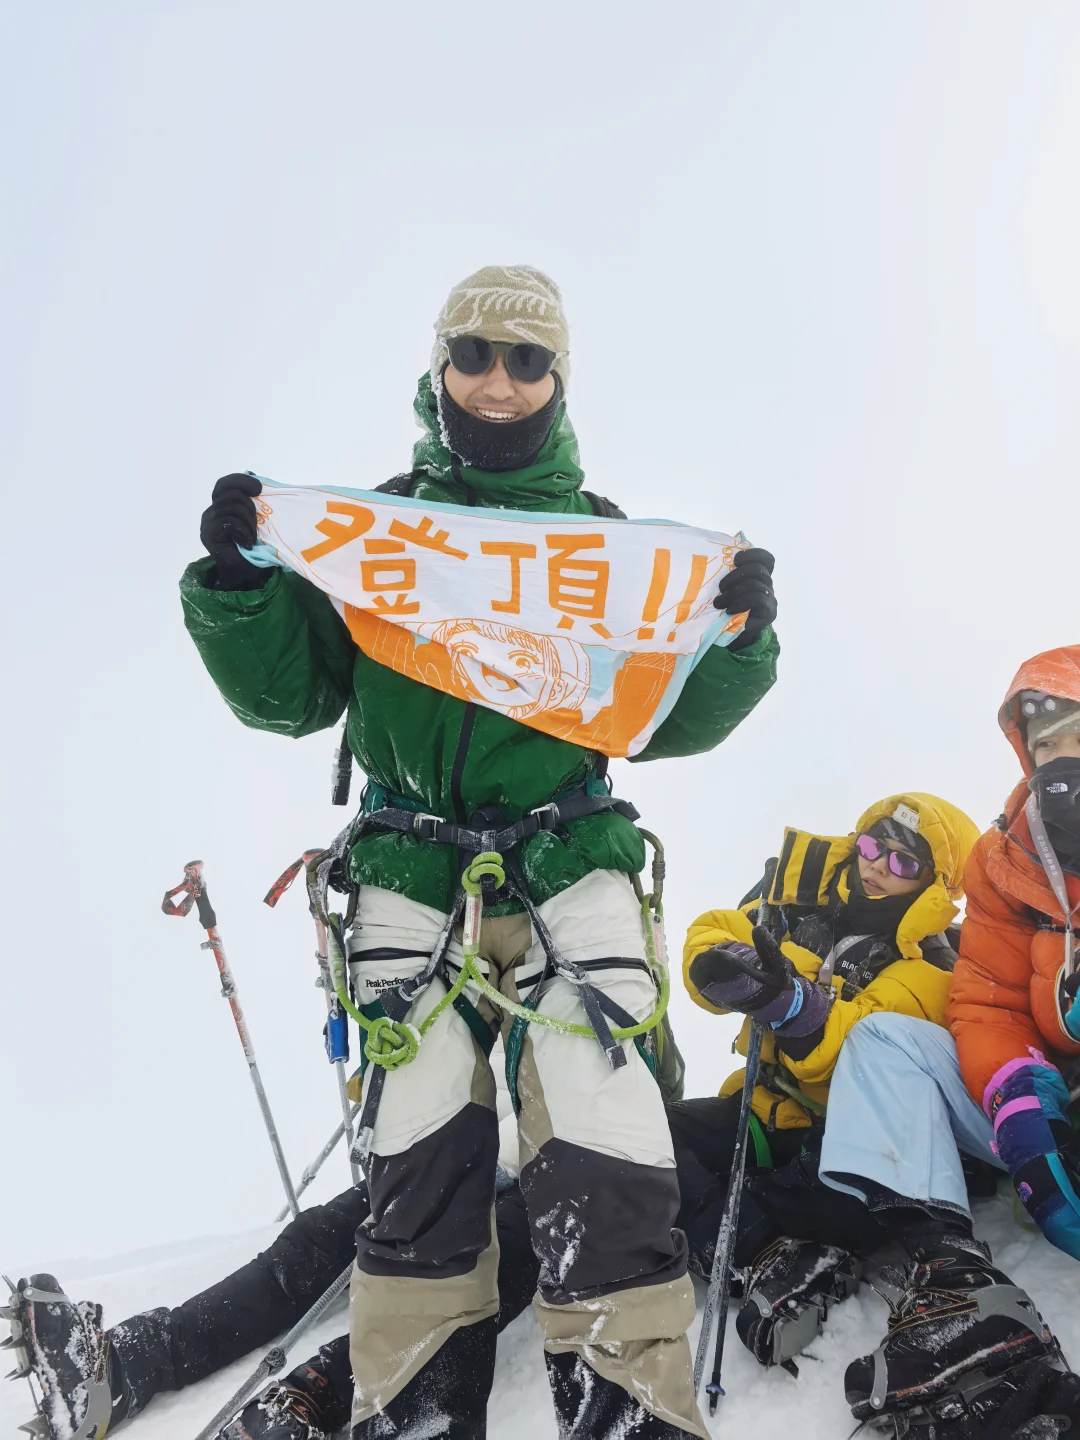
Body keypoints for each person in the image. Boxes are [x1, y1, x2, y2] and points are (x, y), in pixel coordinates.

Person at [179, 265, 780, 1440]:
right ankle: (417, 1401)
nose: (498, 382)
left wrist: (739, 639)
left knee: (606, 1122)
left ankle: (630, 1400)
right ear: (439, 366)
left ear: (558, 381)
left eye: (527, 360)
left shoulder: (606, 549)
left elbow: (673, 721)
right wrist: (241, 583)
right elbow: (292, 699)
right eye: (476, 354)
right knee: (419, 1132)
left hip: (572, 860)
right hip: (410, 873)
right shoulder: (372, 535)